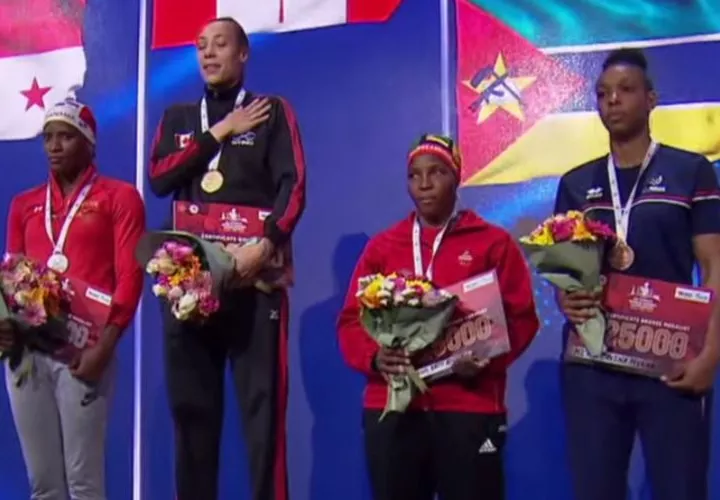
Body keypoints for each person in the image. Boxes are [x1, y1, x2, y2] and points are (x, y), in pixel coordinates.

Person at [147, 17, 305, 500]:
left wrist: (267, 243)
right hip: (190, 289)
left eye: (220, 44)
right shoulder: (178, 118)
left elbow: (293, 185)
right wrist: (217, 133)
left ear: (243, 54)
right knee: (192, 419)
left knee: (263, 419)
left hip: (255, 283)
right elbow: (159, 178)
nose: (209, 53)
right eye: (200, 46)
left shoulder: (272, 111)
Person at [554, 48, 720, 500]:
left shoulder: (690, 171)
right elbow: (566, 274)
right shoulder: (575, 182)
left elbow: (714, 265)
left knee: (681, 488)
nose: (613, 100)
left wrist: (710, 354)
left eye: (625, 90)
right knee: (595, 490)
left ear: (651, 99)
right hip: (594, 362)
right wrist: (566, 299)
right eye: (603, 93)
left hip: (671, 359)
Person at [337, 134, 539, 500]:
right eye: (415, 175)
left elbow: (522, 318)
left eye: (437, 172)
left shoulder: (492, 243)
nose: (424, 184)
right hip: (395, 408)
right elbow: (352, 320)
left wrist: (488, 359)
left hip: (468, 405)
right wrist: (374, 357)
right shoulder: (383, 247)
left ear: (456, 176)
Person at [0, 99, 145, 499]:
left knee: (83, 482)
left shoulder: (120, 197)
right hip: (28, 356)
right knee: (43, 485)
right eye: (48, 137)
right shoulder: (24, 205)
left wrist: (106, 346)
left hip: (83, 353)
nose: (54, 146)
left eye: (65, 136)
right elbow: (11, 279)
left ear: (89, 143)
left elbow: (130, 277)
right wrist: (6, 329)